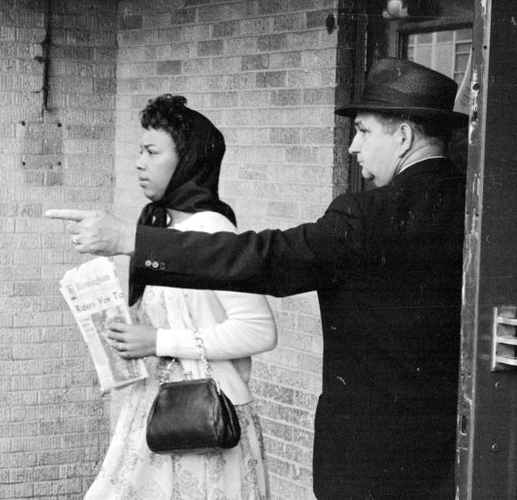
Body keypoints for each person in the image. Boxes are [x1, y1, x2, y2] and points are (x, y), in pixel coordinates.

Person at [49, 58, 469, 498]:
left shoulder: (366, 215)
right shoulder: (480, 207)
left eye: (362, 131)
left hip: (372, 452)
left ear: (403, 136)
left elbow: (265, 258)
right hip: (454, 440)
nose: (352, 148)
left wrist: (130, 239)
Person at [84, 94, 277, 499]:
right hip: (155, 410)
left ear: (188, 160)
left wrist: (157, 341)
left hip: (204, 419)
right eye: (139, 150)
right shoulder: (158, 224)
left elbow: (259, 331)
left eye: (152, 151)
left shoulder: (211, 229)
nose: (139, 163)